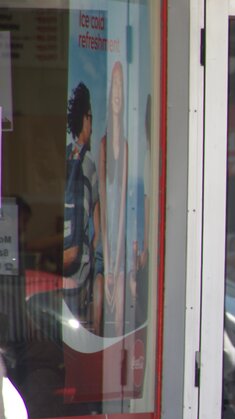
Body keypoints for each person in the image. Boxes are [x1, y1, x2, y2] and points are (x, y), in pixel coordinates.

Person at [64, 82, 102, 332]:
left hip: (71, 268)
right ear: (84, 118)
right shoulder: (85, 164)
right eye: (90, 117)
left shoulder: (69, 158)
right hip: (78, 268)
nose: (92, 125)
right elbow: (97, 226)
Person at [99, 60, 129, 337]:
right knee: (99, 296)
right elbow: (105, 207)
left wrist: (117, 265)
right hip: (105, 246)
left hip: (119, 247)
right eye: (114, 86)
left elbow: (121, 212)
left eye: (121, 85)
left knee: (120, 303)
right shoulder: (103, 146)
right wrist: (107, 263)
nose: (117, 92)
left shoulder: (126, 148)